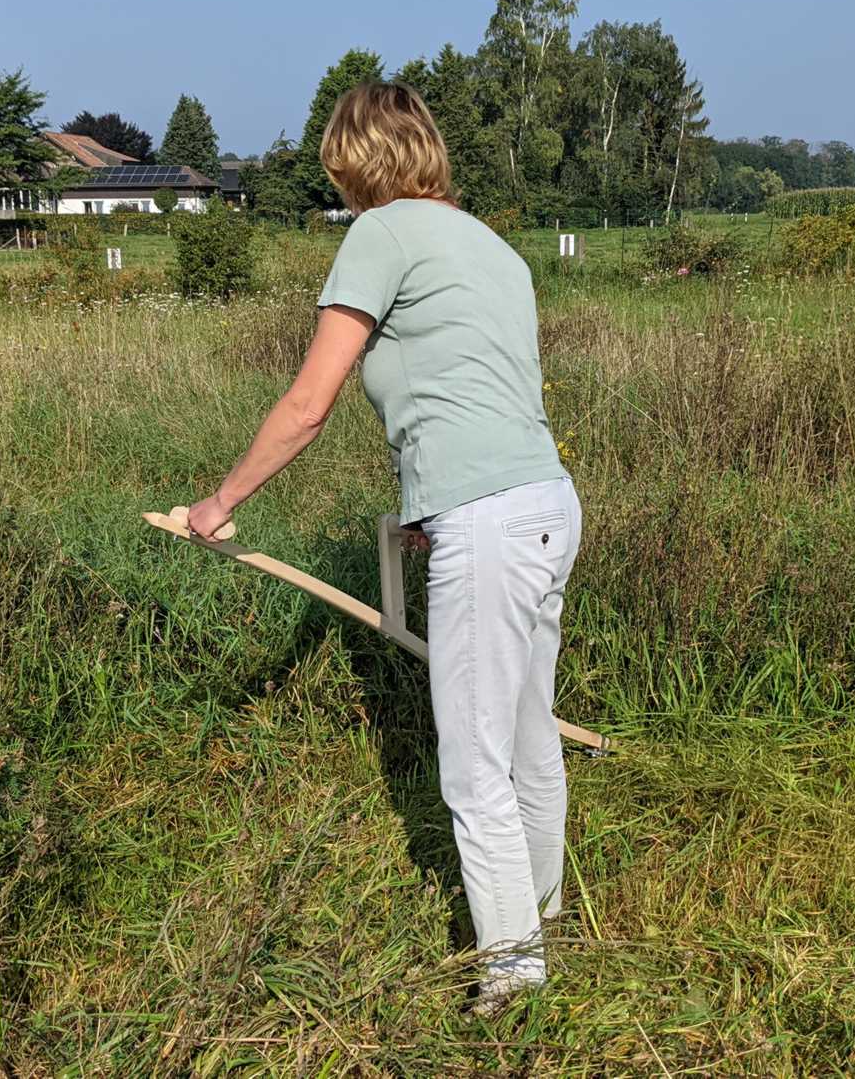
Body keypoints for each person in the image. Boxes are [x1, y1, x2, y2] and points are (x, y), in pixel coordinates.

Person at [182, 82, 581, 1014]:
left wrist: (220, 499)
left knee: (474, 763)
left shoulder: (381, 232)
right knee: (529, 739)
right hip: (545, 503)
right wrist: (429, 508)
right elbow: (474, 392)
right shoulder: (490, 245)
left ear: (356, 162)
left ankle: (515, 976)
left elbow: (307, 402)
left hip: (489, 518)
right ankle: (545, 919)